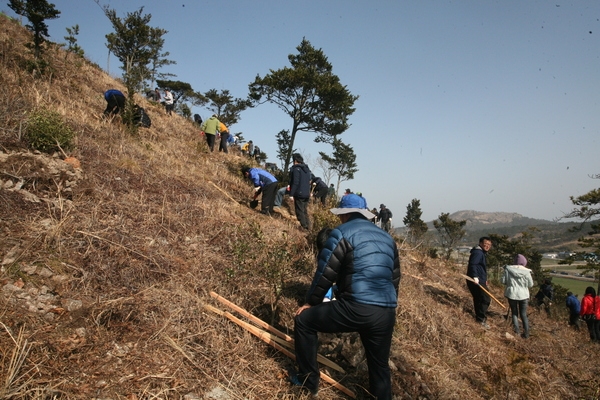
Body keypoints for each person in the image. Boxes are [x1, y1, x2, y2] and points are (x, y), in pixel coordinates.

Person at [292, 193, 401, 399]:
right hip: (385, 311)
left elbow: (326, 272)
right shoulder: (387, 238)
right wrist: (386, 304)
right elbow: (394, 278)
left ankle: (308, 382)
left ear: (344, 214)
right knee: (379, 366)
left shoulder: (341, 233)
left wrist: (310, 303)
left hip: (355, 307)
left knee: (304, 322)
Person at [501, 254, 534, 338]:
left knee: (514, 313)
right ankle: (526, 333)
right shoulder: (527, 272)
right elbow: (530, 284)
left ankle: (517, 332)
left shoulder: (508, 269)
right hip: (524, 295)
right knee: (523, 314)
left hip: (512, 294)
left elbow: (503, 281)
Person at [466, 236, 492, 328]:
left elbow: (479, 268)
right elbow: (473, 265)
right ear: (481, 243)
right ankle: (481, 319)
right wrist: (475, 277)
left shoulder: (480, 253)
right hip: (475, 280)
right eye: (485, 244)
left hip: (480, 280)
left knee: (478, 299)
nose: (487, 246)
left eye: (489, 244)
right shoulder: (478, 253)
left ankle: (479, 319)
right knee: (486, 299)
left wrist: (484, 280)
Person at [288, 153, 311, 230]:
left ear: (294, 161)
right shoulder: (307, 170)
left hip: (299, 193)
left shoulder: (296, 169)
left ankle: (304, 227)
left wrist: (291, 194)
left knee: (299, 211)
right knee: (304, 211)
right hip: (306, 193)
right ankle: (308, 226)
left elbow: (295, 182)